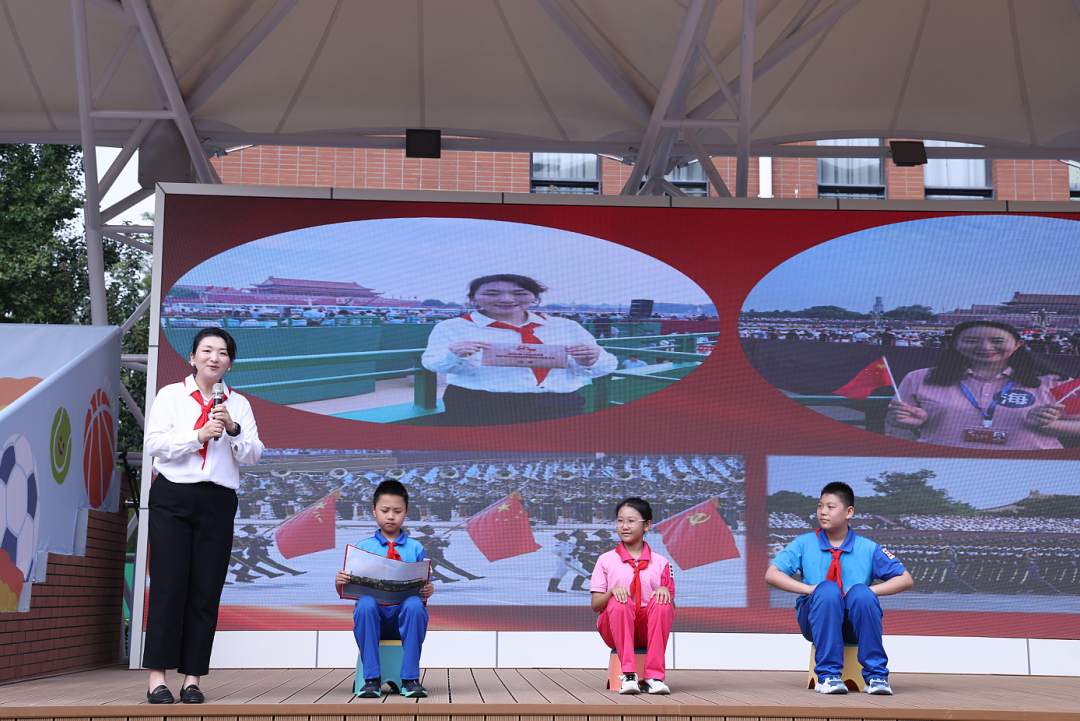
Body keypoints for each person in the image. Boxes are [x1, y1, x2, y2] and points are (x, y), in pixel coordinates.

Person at [143, 328, 264, 704]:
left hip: (218, 500)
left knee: (205, 590)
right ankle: (157, 679)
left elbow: (254, 454)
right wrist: (197, 435)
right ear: (192, 357)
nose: (214, 357)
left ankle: (192, 679)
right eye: (207, 350)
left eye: (223, 352)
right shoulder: (170, 395)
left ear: (230, 363)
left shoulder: (238, 404)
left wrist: (232, 429)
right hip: (173, 496)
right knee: (168, 586)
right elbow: (153, 444)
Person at [766, 482, 913, 695]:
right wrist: (810, 589)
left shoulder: (867, 547)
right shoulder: (803, 543)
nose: (823, 512)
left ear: (848, 512)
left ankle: (877, 677)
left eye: (830, 507)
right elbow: (772, 574)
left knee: (861, 593)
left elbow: (905, 578)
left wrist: (868, 593)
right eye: (820, 506)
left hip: (855, 624)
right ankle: (828, 676)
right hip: (815, 620)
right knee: (827, 590)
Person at [421, 274, 617, 425]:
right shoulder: (452, 327)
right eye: (491, 294)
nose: (507, 299)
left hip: (558, 404)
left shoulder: (565, 326)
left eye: (520, 293)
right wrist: (455, 356)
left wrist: (590, 360)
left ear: (535, 297)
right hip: (478, 403)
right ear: (473, 298)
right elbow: (431, 362)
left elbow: (605, 365)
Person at [886, 320, 1080, 449]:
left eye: (997, 341)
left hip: (1029, 462)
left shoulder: (1055, 381)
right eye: (971, 340)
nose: (985, 347)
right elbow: (895, 419)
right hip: (943, 459)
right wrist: (907, 420)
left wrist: (1051, 424)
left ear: (1018, 344)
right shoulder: (919, 378)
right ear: (955, 344)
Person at [336, 480, 435, 699]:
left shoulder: (416, 547)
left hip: (404, 619)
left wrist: (429, 589)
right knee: (365, 603)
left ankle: (410, 679)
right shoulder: (363, 547)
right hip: (373, 619)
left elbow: (425, 583)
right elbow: (347, 587)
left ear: (406, 512)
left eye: (397, 511)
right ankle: (371, 679)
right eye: (384, 510)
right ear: (374, 511)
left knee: (414, 605)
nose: (391, 516)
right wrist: (339, 581)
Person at [591, 497, 674, 695]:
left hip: (647, 630)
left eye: (631, 521)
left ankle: (654, 677)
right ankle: (628, 673)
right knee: (619, 601)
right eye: (620, 521)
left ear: (647, 525)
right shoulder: (605, 560)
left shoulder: (661, 562)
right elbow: (596, 605)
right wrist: (611, 592)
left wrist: (666, 594)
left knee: (662, 603)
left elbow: (670, 608)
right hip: (614, 628)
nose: (624, 526)